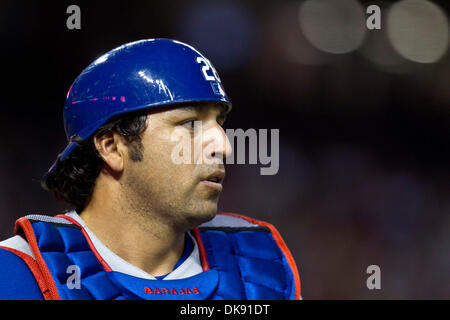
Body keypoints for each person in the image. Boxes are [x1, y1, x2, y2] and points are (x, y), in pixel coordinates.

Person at [0, 39, 301, 300]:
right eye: (190, 124)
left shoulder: (263, 271)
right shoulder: (17, 273)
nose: (223, 146)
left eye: (219, 124)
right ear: (111, 146)